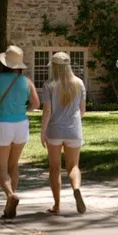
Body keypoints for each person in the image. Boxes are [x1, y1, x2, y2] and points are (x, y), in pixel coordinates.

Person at [0, 45, 40, 219]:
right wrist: (23, 108)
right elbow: (36, 104)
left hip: (2, 125)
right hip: (21, 125)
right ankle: (8, 205)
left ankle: (10, 195)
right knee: (13, 165)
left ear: (4, 63)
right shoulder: (27, 82)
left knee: (0, 167)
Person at [40, 51, 87, 214]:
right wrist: (73, 122)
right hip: (74, 129)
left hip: (54, 130)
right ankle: (76, 188)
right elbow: (82, 111)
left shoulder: (49, 85)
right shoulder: (79, 83)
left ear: (53, 67)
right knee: (73, 166)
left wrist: (43, 132)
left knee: (54, 168)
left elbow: (47, 110)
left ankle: (57, 205)